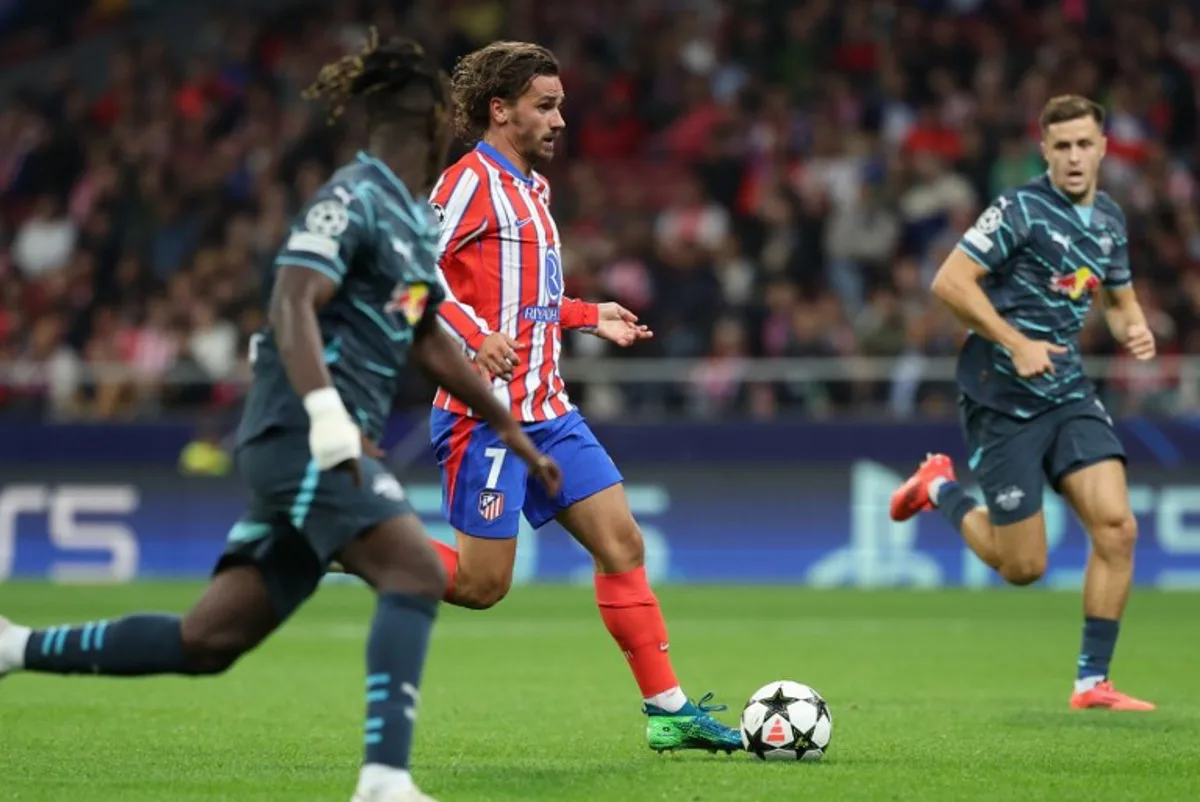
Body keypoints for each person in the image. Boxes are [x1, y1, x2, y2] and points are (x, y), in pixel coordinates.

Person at [0, 34, 562, 802]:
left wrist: (509, 428)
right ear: (425, 126)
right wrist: (327, 416)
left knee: (207, 641)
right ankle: (384, 779)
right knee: (411, 568)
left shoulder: (404, 224)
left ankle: (17, 647)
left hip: (321, 444)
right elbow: (293, 300)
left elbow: (428, 339)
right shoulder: (352, 196)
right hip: (304, 436)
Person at [424, 40, 742, 753]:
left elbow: (526, 299)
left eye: (561, 104)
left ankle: (668, 711)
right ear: (499, 110)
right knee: (481, 585)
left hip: (550, 411)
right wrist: (473, 334)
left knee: (622, 542)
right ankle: (348, 534)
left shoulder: (532, 189)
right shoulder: (468, 182)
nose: (561, 120)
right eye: (546, 106)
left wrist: (584, 313)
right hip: (487, 418)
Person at [890, 95, 1156, 711]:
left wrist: (1134, 328)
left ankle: (1092, 683)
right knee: (1023, 567)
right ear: (1044, 151)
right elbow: (949, 282)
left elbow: (1119, 299)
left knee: (1117, 528)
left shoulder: (1111, 220)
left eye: (1083, 144)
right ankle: (938, 489)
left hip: (1067, 392)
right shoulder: (1019, 208)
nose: (1072, 156)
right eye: (1060, 146)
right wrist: (1014, 340)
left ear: (1103, 147)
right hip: (1001, 396)